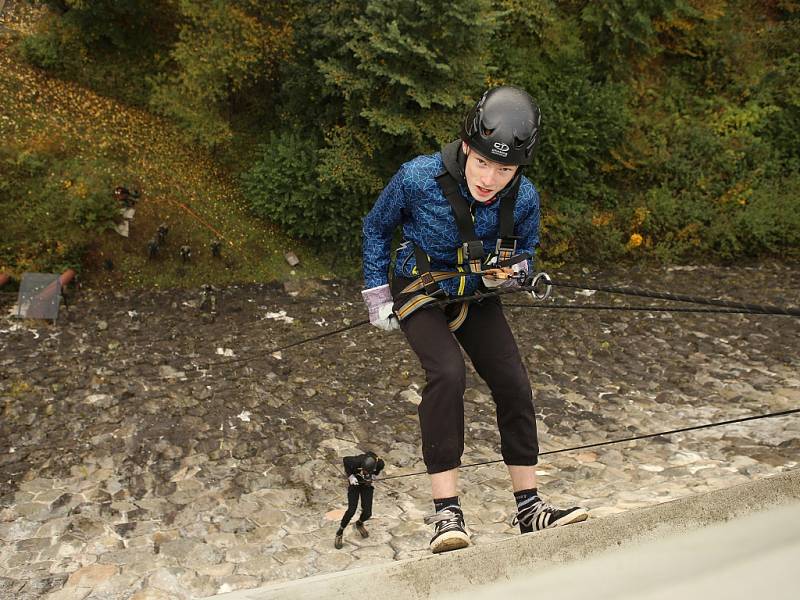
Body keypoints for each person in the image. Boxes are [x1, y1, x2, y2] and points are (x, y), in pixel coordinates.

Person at [361, 86, 588, 554]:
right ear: (467, 146)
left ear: (519, 168)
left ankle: (529, 507)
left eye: (504, 169)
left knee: (513, 381)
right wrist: (377, 296)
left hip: (478, 292)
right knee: (447, 373)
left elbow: (525, 250)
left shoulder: (524, 198)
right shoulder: (417, 177)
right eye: (483, 161)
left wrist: (518, 273)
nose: (490, 177)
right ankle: (447, 513)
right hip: (419, 287)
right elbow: (376, 227)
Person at [335, 451, 385, 549]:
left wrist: (372, 477)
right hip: (355, 484)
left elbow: (377, 471)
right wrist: (350, 476)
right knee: (351, 510)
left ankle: (359, 523)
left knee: (368, 513)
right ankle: (339, 532)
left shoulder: (379, 463)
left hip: (366, 485)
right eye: (364, 471)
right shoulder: (355, 461)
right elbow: (345, 460)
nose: (365, 472)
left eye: (367, 471)